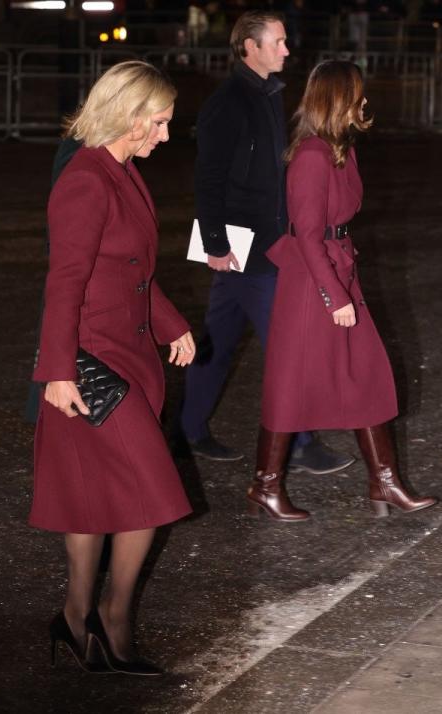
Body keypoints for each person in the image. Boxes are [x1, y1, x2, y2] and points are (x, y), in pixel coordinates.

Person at [32, 60, 195, 676]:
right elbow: (65, 282)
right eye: (159, 122)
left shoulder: (122, 171)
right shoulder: (85, 180)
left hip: (129, 355)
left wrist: (171, 320)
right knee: (151, 494)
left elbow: (131, 269)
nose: (165, 134)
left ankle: (74, 620)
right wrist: (58, 372)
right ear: (129, 117)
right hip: (90, 363)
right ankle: (111, 617)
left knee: (93, 493)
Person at [253, 60, 438, 520]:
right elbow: (308, 235)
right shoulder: (312, 156)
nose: (364, 102)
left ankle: (385, 482)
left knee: (368, 372)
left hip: (339, 269)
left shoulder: (340, 150)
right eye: (357, 94)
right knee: (290, 384)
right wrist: (334, 297)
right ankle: (266, 486)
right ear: (338, 99)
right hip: (312, 283)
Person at [181, 10, 354, 478]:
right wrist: (216, 243)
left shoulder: (268, 96)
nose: (286, 50)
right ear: (248, 48)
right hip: (243, 249)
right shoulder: (229, 102)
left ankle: (187, 427)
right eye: (277, 42)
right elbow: (209, 177)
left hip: (265, 245)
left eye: (284, 41)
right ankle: (299, 442)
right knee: (288, 344)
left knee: (218, 338)